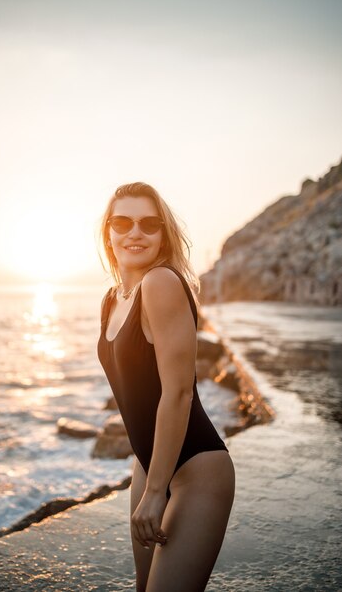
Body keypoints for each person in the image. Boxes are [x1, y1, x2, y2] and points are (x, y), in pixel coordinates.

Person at [97, 182, 235, 592]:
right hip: (150, 461)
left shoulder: (161, 282)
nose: (134, 232)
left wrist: (157, 492)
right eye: (122, 222)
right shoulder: (111, 298)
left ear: (164, 233)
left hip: (197, 471)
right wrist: (150, 477)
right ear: (108, 231)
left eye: (149, 224)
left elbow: (178, 392)